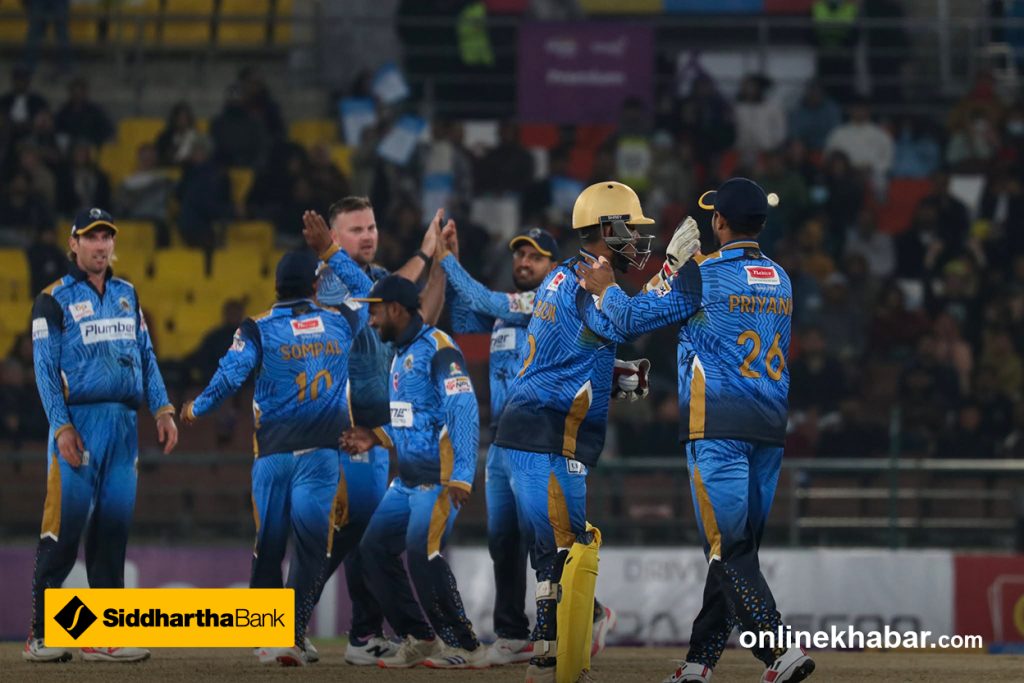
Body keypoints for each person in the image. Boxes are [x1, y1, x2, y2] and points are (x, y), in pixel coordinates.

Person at [575, 178, 814, 683]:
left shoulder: (702, 274)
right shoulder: (781, 278)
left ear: (719, 221)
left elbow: (631, 321)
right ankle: (699, 663)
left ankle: (779, 651)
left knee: (727, 549)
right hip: (769, 429)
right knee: (732, 549)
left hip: (718, 428)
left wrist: (608, 288)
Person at [180, 217, 373, 667]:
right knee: (311, 547)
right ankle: (293, 634)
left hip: (272, 456)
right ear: (314, 285)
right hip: (321, 454)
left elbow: (230, 375)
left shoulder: (257, 327)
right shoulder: (341, 321)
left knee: (269, 544)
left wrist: (196, 409)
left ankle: (270, 637)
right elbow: (370, 292)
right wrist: (331, 252)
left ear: (275, 287)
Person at [493, 181, 656, 683]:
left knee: (552, 548)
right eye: (631, 228)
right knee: (569, 547)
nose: (638, 239)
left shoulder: (560, 276)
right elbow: (628, 321)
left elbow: (569, 353)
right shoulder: (591, 283)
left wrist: (613, 375)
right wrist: (672, 276)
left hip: (526, 427)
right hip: (549, 433)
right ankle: (561, 659)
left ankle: (547, 655)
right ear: (608, 228)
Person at [24, 208, 179, 663]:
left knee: (112, 533)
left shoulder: (127, 293)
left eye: (106, 237)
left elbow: (146, 355)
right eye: (91, 237)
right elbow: (44, 372)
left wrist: (163, 407)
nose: (100, 245)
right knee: (62, 531)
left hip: (123, 427)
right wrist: (62, 426)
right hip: (79, 425)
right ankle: (41, 635)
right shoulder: (52, 299)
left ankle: (104, 636)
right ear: (73, 244)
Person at [299, 196, 448, 666]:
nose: (368, 236)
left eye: (371, 227)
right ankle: (288, 625)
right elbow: (382, 294)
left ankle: (363, 635)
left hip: (377, 432)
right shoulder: (327, 281)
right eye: (356, 229)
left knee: (360, 537)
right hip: (340, 431)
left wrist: (440, 266)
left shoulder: (380, 278)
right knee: (344, 535)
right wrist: (424, 253)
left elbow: (421, 320)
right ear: (332, 239)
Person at [342, 275, 486, 669]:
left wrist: (462, 475)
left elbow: (463, 410)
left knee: (423, 554)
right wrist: (376, 437)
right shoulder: (401, 354)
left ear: (395, 309)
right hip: (406, 483)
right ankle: (420, 637)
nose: (371, 320)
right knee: (372, 550)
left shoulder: (440, 349)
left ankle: (465, 646)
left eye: (374, 312)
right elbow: (414, 418)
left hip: (438, 481)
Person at [437, 225, 559, 665]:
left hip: (536, 439)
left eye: (535, 257)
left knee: (541, 539)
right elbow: (464, 316)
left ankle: (580, 616)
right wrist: (451, 263)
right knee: (504, 541)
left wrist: (446, 260)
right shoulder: (508, 313)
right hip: (503, 441)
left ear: (553, 267)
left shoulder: (547, 303)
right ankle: (511, 634)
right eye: (520, 255)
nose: (524, 263)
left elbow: (485, 300)